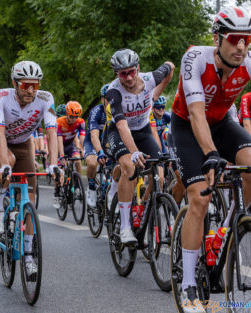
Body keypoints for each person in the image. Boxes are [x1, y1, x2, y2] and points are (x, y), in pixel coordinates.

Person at [171, 7, 251, 312]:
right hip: (188, 128)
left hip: (221, 124)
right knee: (200, 199)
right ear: (217, 38)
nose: (241, 46)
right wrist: (212, 155)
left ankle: (223, 231)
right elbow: (195, 113)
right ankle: (189, 282)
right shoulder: (196, 58)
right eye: (234, 39)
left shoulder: (247, 63)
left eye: (247, 39)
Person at [0, 60, 60, 277]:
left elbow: (52, 132)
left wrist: (54, 164)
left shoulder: (46, 99)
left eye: (35, 85)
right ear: (14, 83)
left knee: (30, 196)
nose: (30, 90)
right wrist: (4, 165)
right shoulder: (0, 96)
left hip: (25, 144)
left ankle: (28, 255)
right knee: (6, 163)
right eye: (25, 85)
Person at [104, 48, 174, 246]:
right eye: (122, 74)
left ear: (138, 68)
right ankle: (125, 226)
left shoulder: (151, 78)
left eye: (131, 71)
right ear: (117, 74)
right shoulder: (114, 92)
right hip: (119, 132)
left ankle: (142, 207)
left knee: (160, 175)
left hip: (142, 131)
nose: (128, 77)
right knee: (129, 167)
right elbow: (121, 125)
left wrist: (152, 98)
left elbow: (170, 67)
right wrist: (133, 152)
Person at [54, 101, 85, 208]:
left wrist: (82, 150)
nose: (73, 119)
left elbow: (81, 137)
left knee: (77, 160)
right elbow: (58, 140)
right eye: (71, 116)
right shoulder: (59, 122)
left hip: (70, 145)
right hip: (59, 146)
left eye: (76, 116)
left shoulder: (80, 122)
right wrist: (61, 156)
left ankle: (77, 186)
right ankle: (57, 193)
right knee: (59, 171)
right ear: (67, 114)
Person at [84, 84, 110, 207]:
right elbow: (94, 136)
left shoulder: (117, 111)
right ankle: (91, 187)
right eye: (107, 98)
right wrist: (100, 152)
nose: (110, 101)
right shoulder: (96, 111)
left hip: (108, 143)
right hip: (92, 143)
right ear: (102, 99)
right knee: (92, 163)